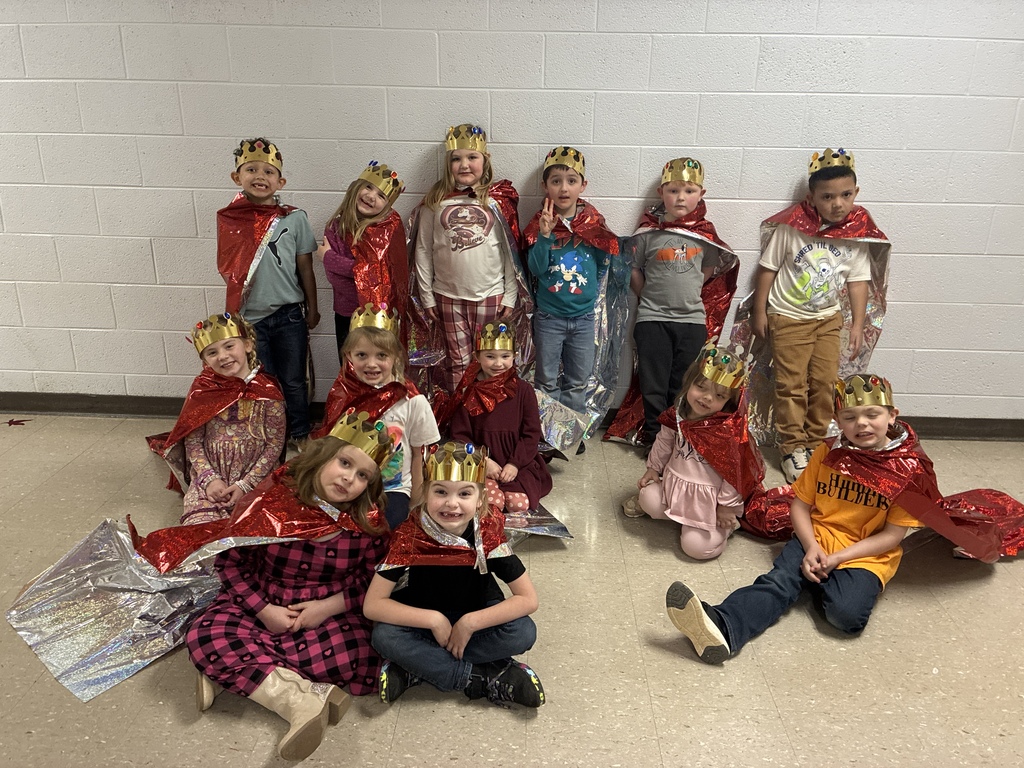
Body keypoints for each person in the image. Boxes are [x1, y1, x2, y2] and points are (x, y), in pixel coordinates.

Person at [664, 374, 937, 664]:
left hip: (865, 555)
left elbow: (892, 537)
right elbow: (800, 506)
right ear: (837, 419)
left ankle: (816, 585)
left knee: (844, 617)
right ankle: (721, 624)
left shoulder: (909, 469)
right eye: (850, 416)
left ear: (892, 415)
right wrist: (811, 547)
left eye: (873, 414)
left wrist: (836, 559)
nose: (862, 424)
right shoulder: (828, 451)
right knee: (778, 583)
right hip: (815, 538)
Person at [183, 412, 394, 761]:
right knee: (205, 632)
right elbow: (230, 563)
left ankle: (233, 672)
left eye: (362, 476)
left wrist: (328, 607)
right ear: (322, 455)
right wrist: (265, 611)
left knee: (366, 653)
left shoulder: (365, 525)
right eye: (344, 462)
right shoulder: (271, 505)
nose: (348, 479)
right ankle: (299, 701)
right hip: (263, 602)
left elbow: (373, 581)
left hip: (327, 612)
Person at [363, 442, 544, 708]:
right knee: (384, 637)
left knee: (523, 632)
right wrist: (433, 619)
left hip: (477, 617)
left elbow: (528, 599)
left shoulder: (487, 534)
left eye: (464, 493)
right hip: (423, 623)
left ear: (480, 498)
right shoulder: (409, 536)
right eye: (440, 491)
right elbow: (373, 605)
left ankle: (419, 667)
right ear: (425, 493)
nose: (451, 503)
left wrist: (470, 623)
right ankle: (483, 676)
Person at [749, 148, 887, 483]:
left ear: (856, 193)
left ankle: (815, 441)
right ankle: (792, 446)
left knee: (825, 384)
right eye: (827, 197)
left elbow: (858, 282)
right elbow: (767, 270)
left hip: (828, 319)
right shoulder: (792, 229)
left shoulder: (855, 234)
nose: (837, 204)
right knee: (791, 386)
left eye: (845, 195)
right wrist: (759, 310)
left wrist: (856, 324)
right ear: (812, 198)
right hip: (788, 316)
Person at [410, 123, 531, 393]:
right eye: (456, 158)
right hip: (447, 296)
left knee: (490, 362)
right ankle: (462, 416)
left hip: (490, 295)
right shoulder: (436, 202)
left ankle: (490, 417)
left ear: (484, 160)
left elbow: (509, 253)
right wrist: (427, 295)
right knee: (458, 362)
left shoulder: (496, 202)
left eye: (472, 157)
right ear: (447, 163)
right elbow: (423, 250)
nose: (464, 165)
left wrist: (510, 295)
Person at [624, 157, 736, 448]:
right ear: (662, 193)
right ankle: (653, 439)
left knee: (683, 385)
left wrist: (689, 290)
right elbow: (633, 267)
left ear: (701, 195)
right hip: (652, 320)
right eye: (673, 190)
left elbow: (708, 270)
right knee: (653, 384)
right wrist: (645, 293)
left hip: (691, 322)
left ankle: (680, 438)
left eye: (688, 191)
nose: (680, 197)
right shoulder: (648, 234)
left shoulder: (704, 237)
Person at [217, 138, 319, 445]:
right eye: (251, 169)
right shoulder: (230, 219)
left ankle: (299, 432)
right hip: (250, 318)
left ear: (280, 181)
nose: (260, 176)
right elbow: (229, 270)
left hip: (289, 313)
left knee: (293, 380)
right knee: (264, 380)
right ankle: (273, 435)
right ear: (237, 177)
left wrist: (312, 307)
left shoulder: (294, 218)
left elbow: (305, 268)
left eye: (269, 171)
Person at [622, 340, 763, 560]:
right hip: (675, 489)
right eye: (701, 388)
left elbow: (735, 472)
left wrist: (726, 507)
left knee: (696, 548)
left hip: (710, 503)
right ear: (688, 383)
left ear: (728, 402)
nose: (707, 398)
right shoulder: (678, 414)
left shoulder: (726, 432)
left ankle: (724, 528)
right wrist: (653, 468)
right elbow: (664, 441)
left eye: (719, 396)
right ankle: (683, 517)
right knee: (647, 498)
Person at [147, 313, 286, 525]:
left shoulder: (267, 392)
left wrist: (246, 485)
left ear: (247, 345)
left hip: (257, 476)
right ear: (204, 360)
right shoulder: (203, 391)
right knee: (201, 534)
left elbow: (275, 445)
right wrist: (210, 480)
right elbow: (192, 441)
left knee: (257, 532)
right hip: (212, 475)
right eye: (212, 352)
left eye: (229, 346)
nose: (222, 356)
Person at [314, 304, 440, 529]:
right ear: (348, 356)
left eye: (381, 355)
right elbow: (330, 449)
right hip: (348, 483)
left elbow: (420, 455)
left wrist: (416, 504)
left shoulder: (412, 401)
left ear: (396, 357)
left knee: (385, 531)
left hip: (392, 490)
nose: (371, 364)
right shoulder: (342, 395)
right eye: (362, 355)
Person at [524, 146, 619, 423]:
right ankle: (547, 432)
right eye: (556, 181)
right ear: (545, 186)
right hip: (549, 318)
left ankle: (570, 430)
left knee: (578, 380)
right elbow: (536, 269)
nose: (563, 188)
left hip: (583, 319)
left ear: (583, 185)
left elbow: (603, 262)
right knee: (547, 379)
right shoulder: (539, 223)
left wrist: (586, 292)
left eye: (571, 181)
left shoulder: (592, 223)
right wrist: (544, 236)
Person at [447, 323, 552, 514]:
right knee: (492, 505)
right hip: (481, 462)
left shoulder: (524, 390)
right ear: (477, 357)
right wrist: (483, 461)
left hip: (517, 462)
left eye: (505, 356)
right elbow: (460, 435)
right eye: (490, 356)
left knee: (518, 504)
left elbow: (531, 433)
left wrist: (514, 464)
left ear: (514, 357)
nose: (498, 364)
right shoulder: (469, 392)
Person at [317, 161, 408, 359]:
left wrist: (328, 257)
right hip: (347, 313)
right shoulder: (337, 227)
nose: (371, 196)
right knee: (349, 368)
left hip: (380, 314)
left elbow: (382, 273)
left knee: (381, 368)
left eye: (381, 196)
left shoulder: (388, 230)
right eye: (368, 187)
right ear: (356, 187)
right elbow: (336, 279)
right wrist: (361, 272)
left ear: (387, 206)